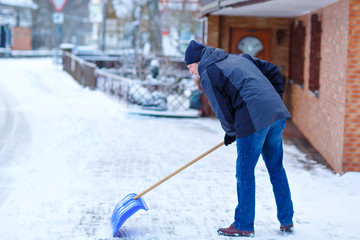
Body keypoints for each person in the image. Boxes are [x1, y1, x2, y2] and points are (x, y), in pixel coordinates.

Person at [184, 40, 294, 237]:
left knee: (244, 172)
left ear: (198, 62)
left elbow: (221, 109)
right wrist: (273, 100)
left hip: (253, 120)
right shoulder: (239, 58)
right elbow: (273, 70)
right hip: (276, 115)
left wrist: (230, 132)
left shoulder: (208, 73)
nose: (192, 72)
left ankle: (243, 224)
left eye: (191, 67)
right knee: (276, 169)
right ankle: (286, 220)